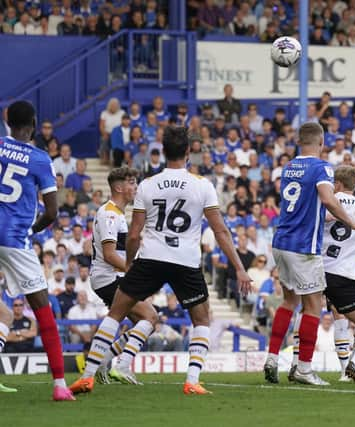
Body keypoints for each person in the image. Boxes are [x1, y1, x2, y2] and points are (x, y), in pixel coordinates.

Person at [69, 127, 251, 395]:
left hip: (152, 258)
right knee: (201, 320)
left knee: (116, 313)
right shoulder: (202, 184)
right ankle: (192, 381)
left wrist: (131, 265)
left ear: (163, 152)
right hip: (186, 261)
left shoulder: (148, 184)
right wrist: (239, 267)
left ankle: (87, 376)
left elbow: (133, 234)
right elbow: (220, 231)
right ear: (188, 152)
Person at [263, 122, 355, 386]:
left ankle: (272, 358)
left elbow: (304, 204)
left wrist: (328, 216)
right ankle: (304, 369)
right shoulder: (321, 167)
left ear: (300, 141)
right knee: (313, 306)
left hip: (280, 241)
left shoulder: (288, 166)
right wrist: (351, 222)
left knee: (289, 302)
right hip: (303, 246)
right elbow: (327, 198)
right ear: (321, 142)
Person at [0, 100, 75, 400]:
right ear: (33, 124)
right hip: (15, 240)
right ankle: (59, 385)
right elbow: (53, 212)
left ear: (8, 121)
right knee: (43, 309)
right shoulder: (41, 159)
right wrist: (31, 230)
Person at [290, 165, 355, 383]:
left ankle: (298, 365)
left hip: (315, 269)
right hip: (343, 276)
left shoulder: (323, 205)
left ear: (337, 184)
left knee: (307, 313)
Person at [70, 167, 160, 390]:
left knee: (145, 320)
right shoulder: (110, 214)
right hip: (108, 277)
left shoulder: (116, 213)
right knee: (149, 317)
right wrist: (134, 271)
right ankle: (120, 365)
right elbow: (110, 255)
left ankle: (102, 363)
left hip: (110, 277)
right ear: (119, 187)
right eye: (131, 183)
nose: (135, 187)